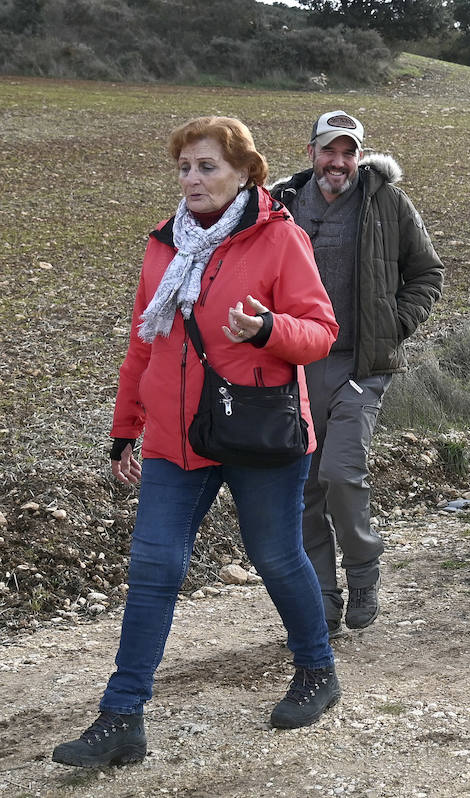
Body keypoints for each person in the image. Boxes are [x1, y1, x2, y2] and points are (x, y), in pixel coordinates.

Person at [53, 117, 342, 769]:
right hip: (177, 437)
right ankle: (122, 716)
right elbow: (143, 343)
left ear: (244, 172)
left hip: (258, 427)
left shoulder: (279, 238)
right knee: (154, 567)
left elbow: (320, 332)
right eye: (184, 167)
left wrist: (267, 328)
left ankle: (318, 672)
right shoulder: (164, 245)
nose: (192, 179)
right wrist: (125, 427)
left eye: (207, 166)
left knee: (274, 554)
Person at [270, 111, 444, 636]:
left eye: (349, 152)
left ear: (360, 156)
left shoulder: (388, 202)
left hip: (358, 366)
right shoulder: (279, 207)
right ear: (312, 153)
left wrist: (390, 328)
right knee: (303, 488)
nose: (339, 162)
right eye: (330, 151)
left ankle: (363, 568)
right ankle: (320, 593)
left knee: (342, 475)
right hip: (293, 368)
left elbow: (427, 272)